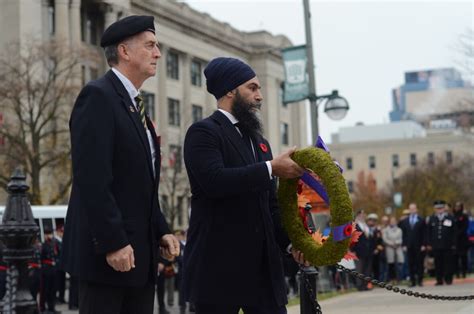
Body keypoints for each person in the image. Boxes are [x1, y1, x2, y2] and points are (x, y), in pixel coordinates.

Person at [61, 15, 179, 314]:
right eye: (150, 45)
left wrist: (161, 229)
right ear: (124, 51)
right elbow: (92, 178)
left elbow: (141, 182)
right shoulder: (98, 96)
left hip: (139, 257)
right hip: (108, 258)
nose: (158, 53)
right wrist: (113, 241)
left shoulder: (136, 105)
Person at [183, 57, 305, 314]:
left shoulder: (259, 142)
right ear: (230, 90)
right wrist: (271, 168)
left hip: (262, 270)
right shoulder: (203, 132)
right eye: (252, 88)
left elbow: (269, 204)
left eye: (259, 88)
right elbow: (215, 181)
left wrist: (291, 243)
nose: (259, 96)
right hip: (219, 266)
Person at [426, 200, 456, 285]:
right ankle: (439, 279)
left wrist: (453, 244)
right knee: (438, 263)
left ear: (444, 208)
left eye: (441, 208)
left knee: (448, 262)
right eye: (437, 208)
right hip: (436, 245)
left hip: (447, 244)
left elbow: (454, 232)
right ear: (435, 209)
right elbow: (428, 232)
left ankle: (448, 278)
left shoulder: (450, 218)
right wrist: (429, 243)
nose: (439, 210)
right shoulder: (432, 219)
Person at [399, 203, 426, 287]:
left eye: (413, 209)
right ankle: (412, 281)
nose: (412, 210)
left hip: (419, 245)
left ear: (416, 209)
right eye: (411, 209)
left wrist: (424, 244)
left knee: (419, 263)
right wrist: (404, 245)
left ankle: (420, 280)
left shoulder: (421, 219)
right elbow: (403, 234)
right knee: (410, 264)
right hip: (409, 245)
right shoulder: (405, 221)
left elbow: (424, 233)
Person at [40, 226, 58, 314]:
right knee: (46, 289)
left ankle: (52, 307)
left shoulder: (53, 244)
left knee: (53, 289)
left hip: (53, 269)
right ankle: (45, 308)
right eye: (48, 234)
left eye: (50, 233)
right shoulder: (44, 245)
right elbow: (41, 258)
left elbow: (56, 255)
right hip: (46, 269)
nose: (49, 236)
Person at [382, 217, 404, 284]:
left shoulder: (399, 230)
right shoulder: (386, 230)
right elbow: (385, 239)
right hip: (390, 248)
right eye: (391, 221)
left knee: (398, 265)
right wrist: (391, 244)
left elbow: (400, 239)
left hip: (397, 248)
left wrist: (396, 243)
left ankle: (399, 279)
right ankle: (391, 279)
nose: (393, 222)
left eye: (394, 221)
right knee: (390, 265)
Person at [453, 201, 469, 278]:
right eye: (456, 206)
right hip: (455, 240)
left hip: (462, 239)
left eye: (459, 206)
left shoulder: (464, 216)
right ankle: (457, 273)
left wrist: (458, 233)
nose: (457, 208)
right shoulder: (453, 216)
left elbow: (465, 227)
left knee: (463, 257)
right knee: (455, 257)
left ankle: (464, 272)